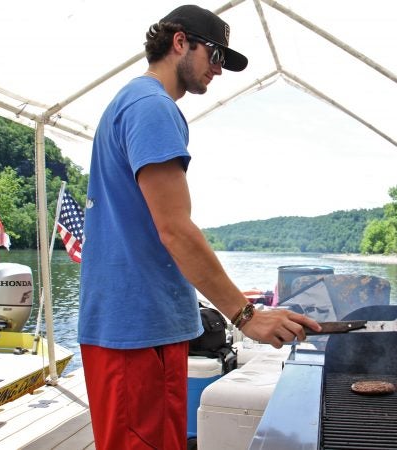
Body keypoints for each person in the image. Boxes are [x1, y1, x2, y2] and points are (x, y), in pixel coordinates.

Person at [78, 5, 321, 449]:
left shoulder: (131, 102)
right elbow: (175, 229)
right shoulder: (152, 106)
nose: (219, 69)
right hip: (137, 333)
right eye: (214, 55)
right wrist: (246, 316)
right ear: (179, 42)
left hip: (137, 328)